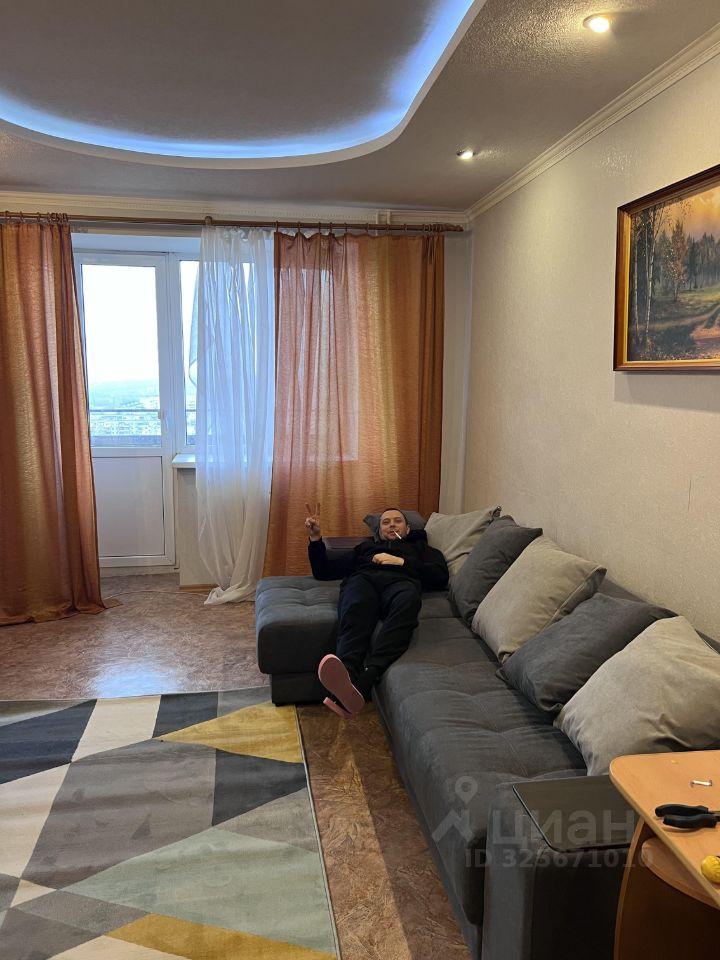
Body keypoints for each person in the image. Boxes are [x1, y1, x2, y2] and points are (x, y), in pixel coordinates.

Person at [304, 502, 449, 718]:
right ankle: (347, 674)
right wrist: (315, 538)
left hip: (401, 582)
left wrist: (400, 561)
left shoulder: (424, 550)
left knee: (408, 602)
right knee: (355, 606)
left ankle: (367, 677)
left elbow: (440, 577)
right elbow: (324, 571)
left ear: (408, 528)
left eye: (397, 521)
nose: (392, 525)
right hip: (364, 580)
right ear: (379, 531)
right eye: (385, 522)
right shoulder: (365, 549)